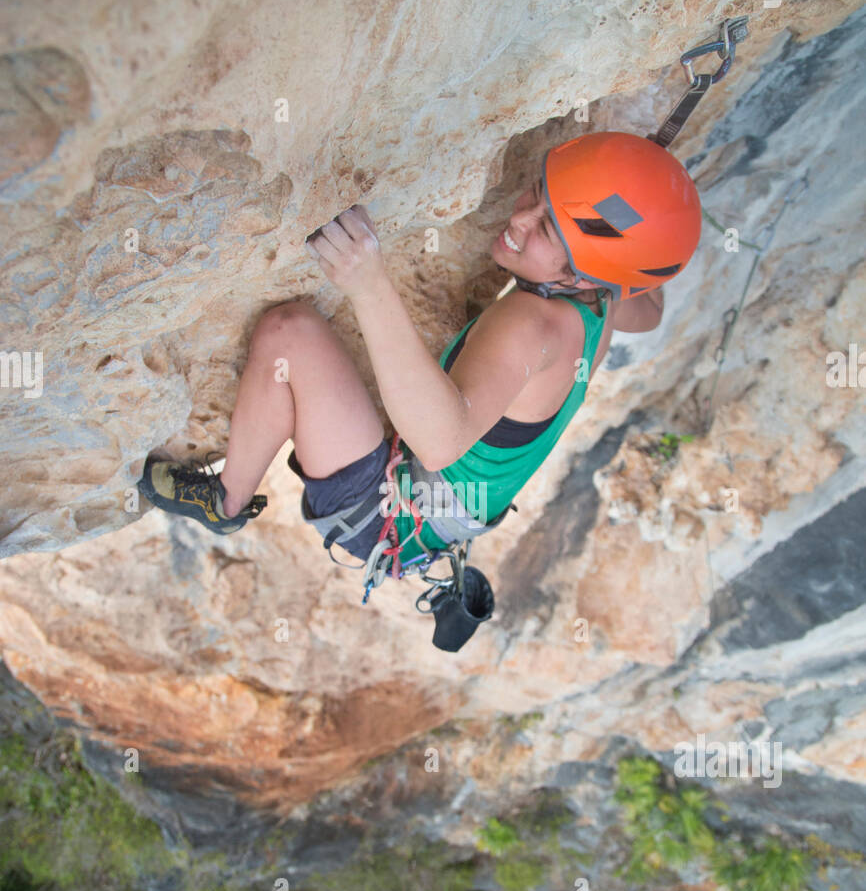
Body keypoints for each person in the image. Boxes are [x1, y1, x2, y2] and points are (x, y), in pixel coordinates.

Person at [138, 131, 701, 570]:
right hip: (440, 519)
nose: (519, 220)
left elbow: (438, 443)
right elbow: (647, 311)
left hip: (385, 516)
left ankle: (225, 501)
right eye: (539, 194)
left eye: (549, 231)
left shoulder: (533, 325)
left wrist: (367, 283)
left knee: (288, 333)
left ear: (581, 279)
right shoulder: (606, 297)